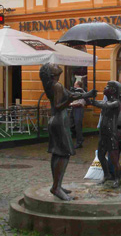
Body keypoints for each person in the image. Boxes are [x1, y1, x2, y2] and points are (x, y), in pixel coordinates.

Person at [39, 63, 96, 201]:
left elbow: (70, 94)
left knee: (57, 153)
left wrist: (87, 94)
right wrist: (70, 100)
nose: (55, 65)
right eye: (53, 66)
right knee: (64, 154)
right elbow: (59, 105)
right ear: (52, 74)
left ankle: (57, 185)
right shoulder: (56, 85)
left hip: (56, 120)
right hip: (60, 120)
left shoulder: (53, 84)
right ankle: (56, 187)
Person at [91, 81, 121, 188]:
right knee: (100, 155)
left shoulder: (116, 102)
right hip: (103, 132)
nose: (105, 88)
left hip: (111, 133)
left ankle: (118, 179)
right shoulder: (107, 101)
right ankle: (107, 174)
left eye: (108, 87)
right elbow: (101, 103)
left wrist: (90, 100)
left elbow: (102, 105)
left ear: (113, 90)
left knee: (114, 159)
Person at [70, 81, 86, 149]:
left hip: (78, 109)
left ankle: (79, 142)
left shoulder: (82, 92)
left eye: (75, 85)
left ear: (78, 85)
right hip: (73, 109)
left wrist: (71, 104)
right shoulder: (75, 92)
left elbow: (80, 103)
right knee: (71, 124)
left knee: (78, 126)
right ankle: (80, 138)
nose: (74, 86)